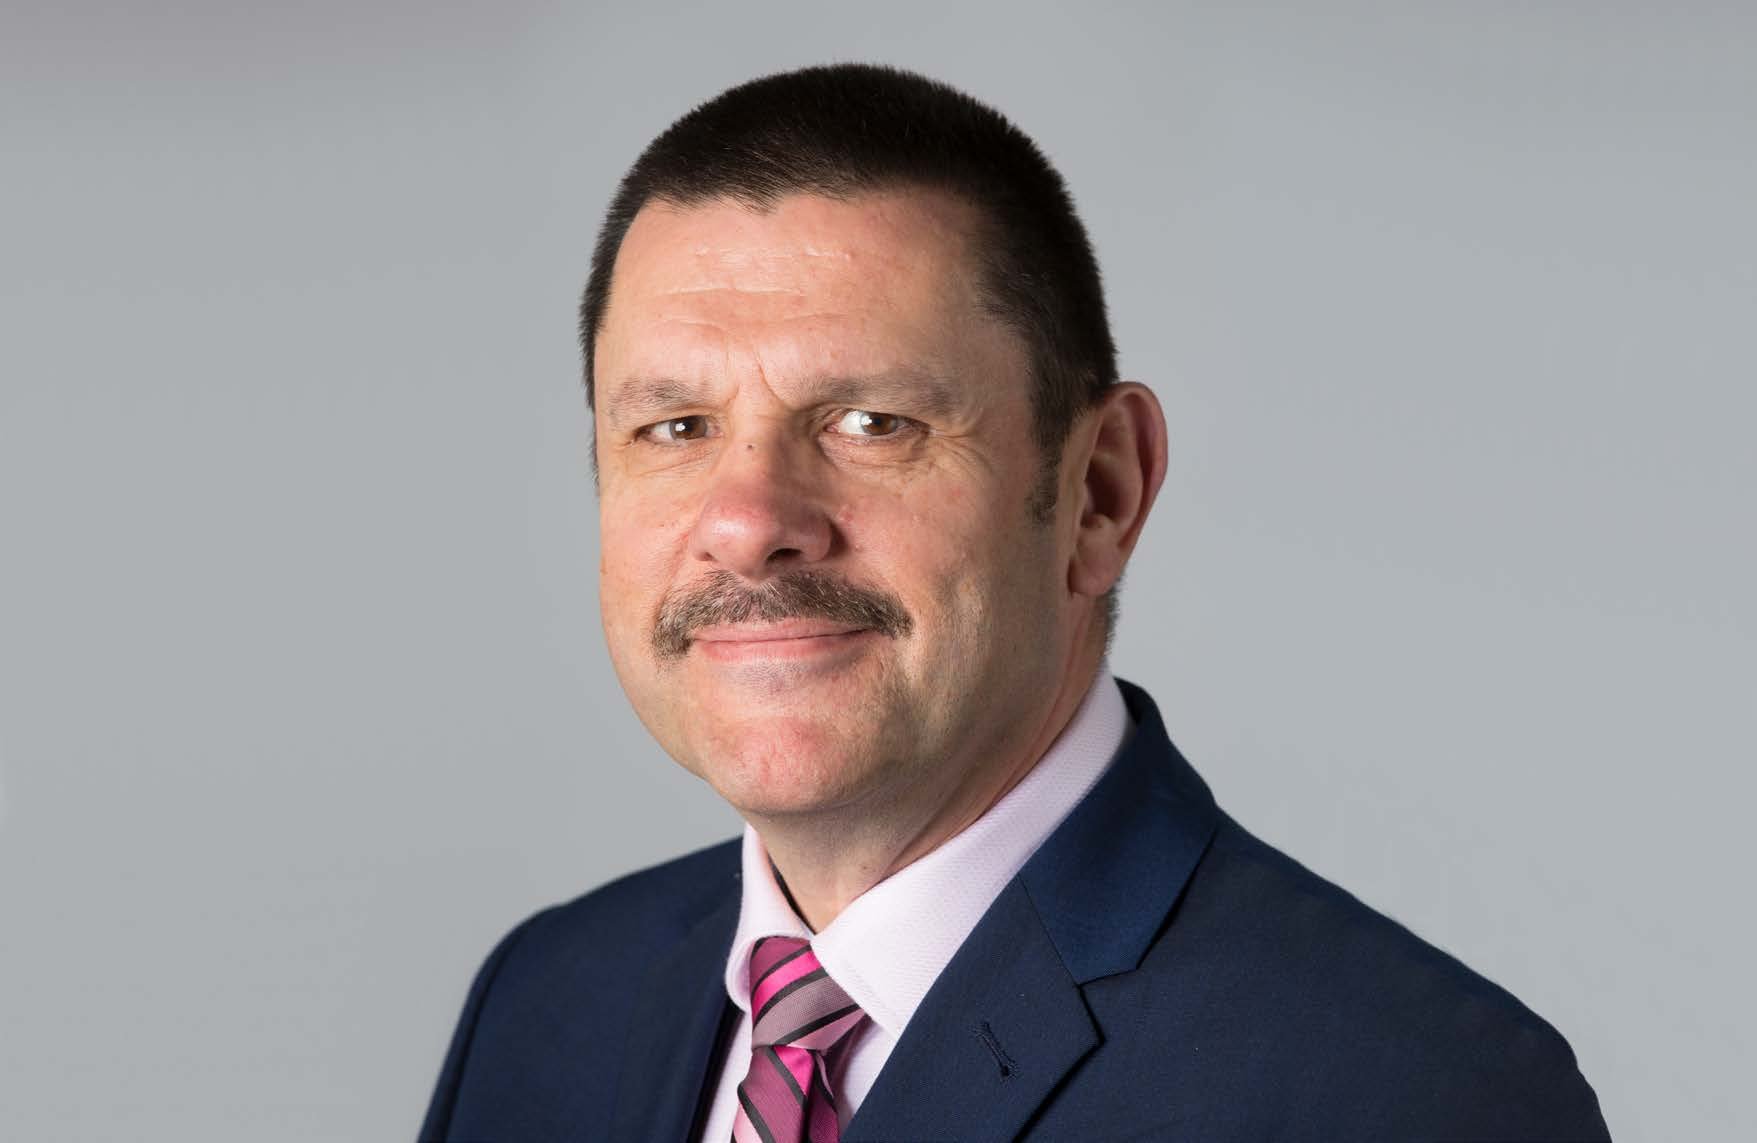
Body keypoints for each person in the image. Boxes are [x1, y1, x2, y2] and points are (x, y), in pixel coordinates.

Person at [419, 63, 1608, 1142]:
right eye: (675, 428)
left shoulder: (1405, 1097)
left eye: (872, 422)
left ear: (1097, 493)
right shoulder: (547, 1003)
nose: (748, 520)